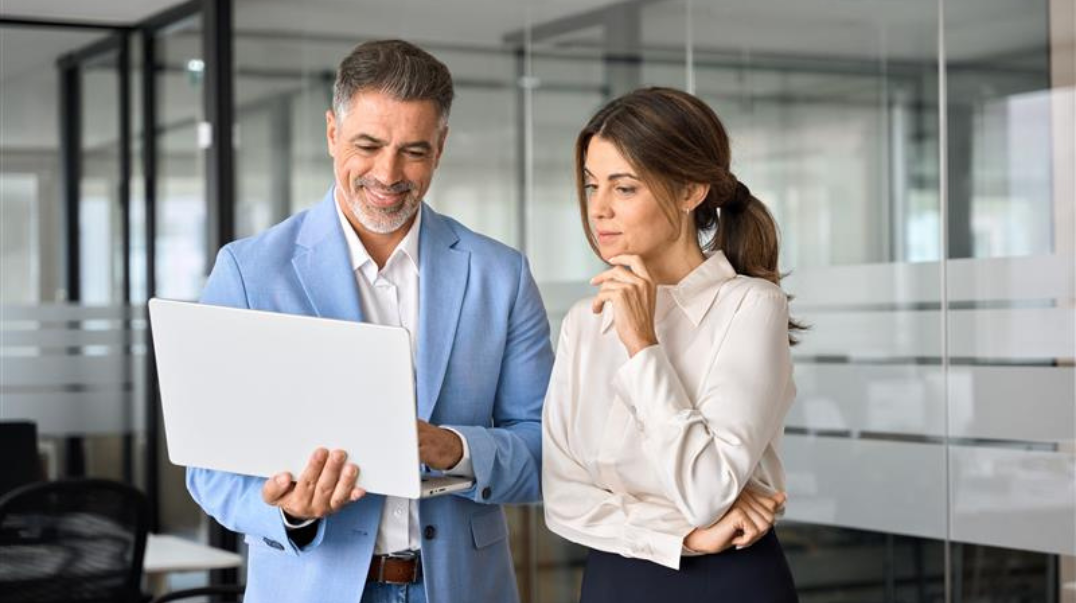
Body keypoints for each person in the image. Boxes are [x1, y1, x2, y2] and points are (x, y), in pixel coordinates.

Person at [188, 39, 553, 603]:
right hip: (312, 586)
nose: (388, 173)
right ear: (332, 132)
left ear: (442, 145)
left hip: (462, 589)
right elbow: (207, 467)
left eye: (414, 150)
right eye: (368, 144)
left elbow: (544, 453)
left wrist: (451, 447)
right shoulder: (250, 270)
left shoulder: (500, 274)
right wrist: (288, 511)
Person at [542, 87, 801, 602]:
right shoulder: (583, 322)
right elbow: (563, 498)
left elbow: (706, 491)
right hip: (614, 579)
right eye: (593, 185)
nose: (599, 210)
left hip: (726, 583)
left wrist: (642, 345)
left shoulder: (751, 307)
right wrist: (681, 536)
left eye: (625, 188)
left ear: (691, 191)